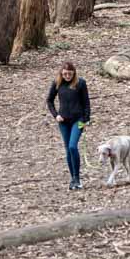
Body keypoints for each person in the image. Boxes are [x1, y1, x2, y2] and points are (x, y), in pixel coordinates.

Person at [46, 61, 91, 190]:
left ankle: (77, 177)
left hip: (78, 120)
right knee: (67, 149)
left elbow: (86, 102)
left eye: (69, 74)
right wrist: (56, 115)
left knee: (72, 146)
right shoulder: (57, 83)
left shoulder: (80, 83)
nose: (67, 76)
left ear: (74, 73)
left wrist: (86, 119)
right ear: (61, 74)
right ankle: (73, 180)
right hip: (63, 121)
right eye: (65, 74)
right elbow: (49, 100)